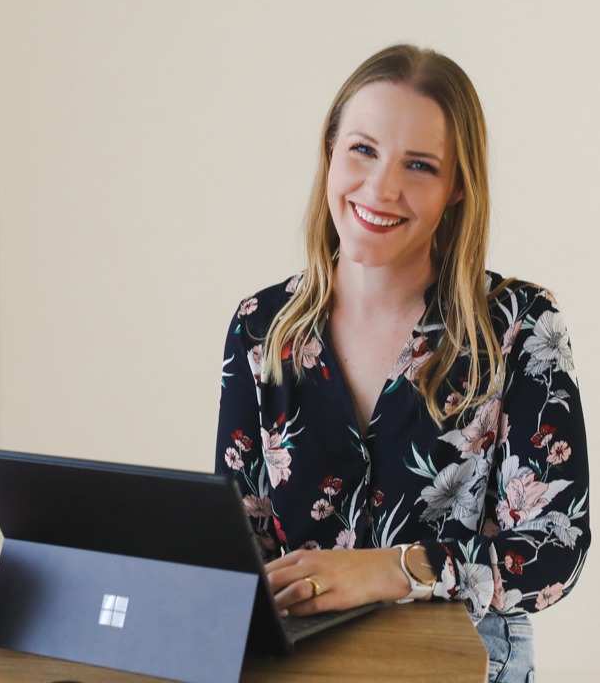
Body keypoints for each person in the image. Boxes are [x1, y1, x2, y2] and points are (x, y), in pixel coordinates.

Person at [215, 44, 588, 682]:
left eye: (419, 165)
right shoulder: (261, 325)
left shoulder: (522, 325)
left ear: (457, 187)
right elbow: (238, 534)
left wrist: (396, 569)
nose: (382, 188)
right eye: (363, 149)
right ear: (330, 150)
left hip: (465, 661)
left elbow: (556, 547)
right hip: (301, 662)